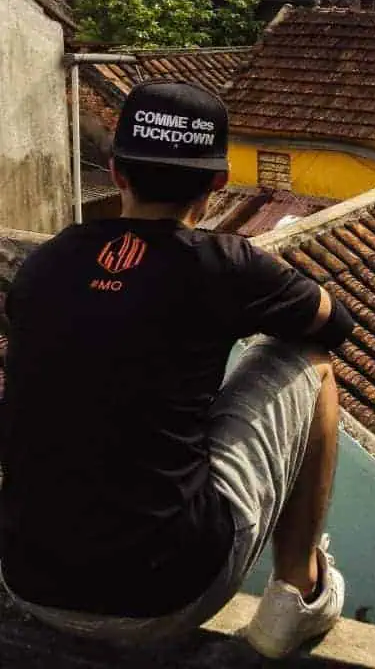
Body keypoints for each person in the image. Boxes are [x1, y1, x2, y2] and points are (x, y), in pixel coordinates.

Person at [0, 80, 353, 659]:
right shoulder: (225, 265)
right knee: (306, 361)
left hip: (28, 580)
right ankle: (299, 592)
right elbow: (335, 324)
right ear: (217, 184)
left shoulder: (49, 260)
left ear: (117, 173)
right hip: (169, 592)